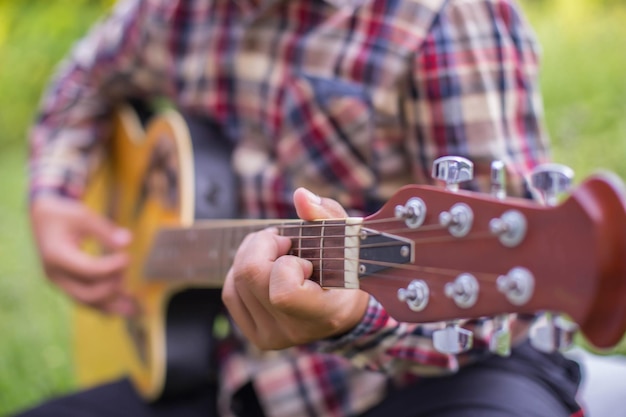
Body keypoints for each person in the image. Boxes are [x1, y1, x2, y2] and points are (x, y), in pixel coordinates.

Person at [18, 0, 583, 416]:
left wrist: (353, 317)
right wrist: (52, 195)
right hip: (237, 373)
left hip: (431, 376)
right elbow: (81, 80)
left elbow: (507, 307)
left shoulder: (444, 17)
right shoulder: (175, 13)